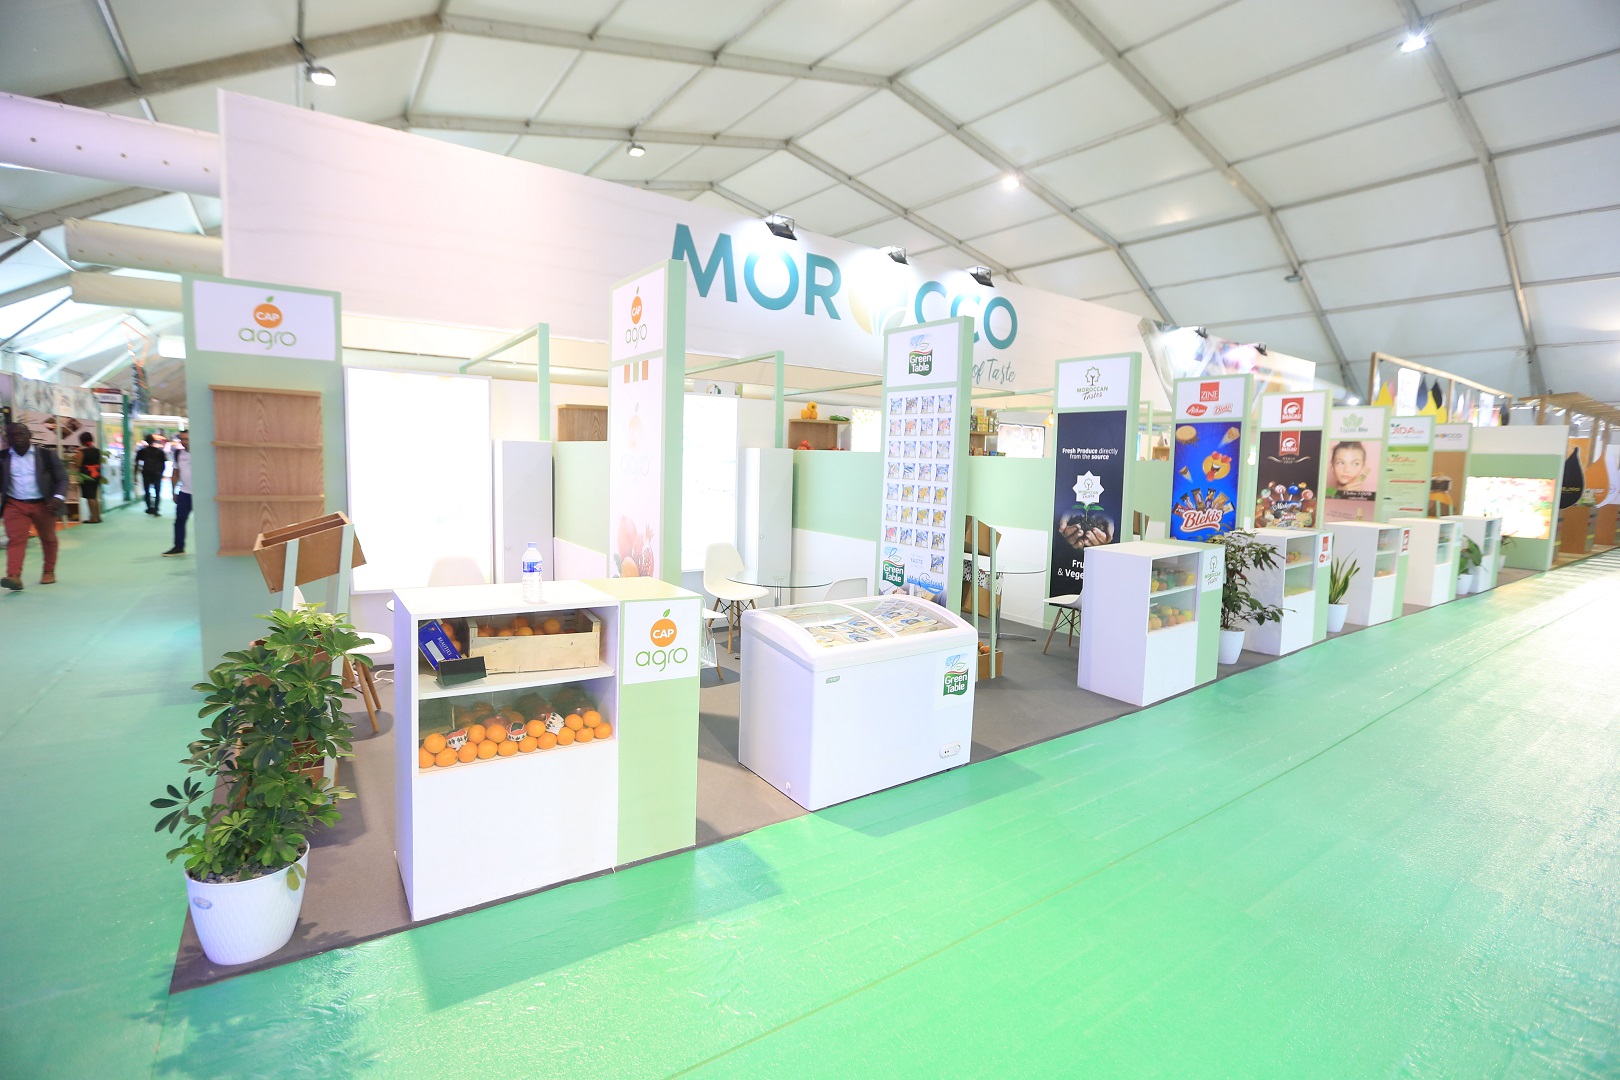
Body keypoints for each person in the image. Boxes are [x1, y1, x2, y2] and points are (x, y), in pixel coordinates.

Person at [2, 423, 69, 590]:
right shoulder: (3, 457)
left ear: (29, 435)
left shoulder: (46, 455)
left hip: (44, 504)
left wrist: (58, 497)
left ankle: (48, 571)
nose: (16, 438)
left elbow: (62, 478)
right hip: (15, 504)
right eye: (12, 435)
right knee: (16, 539)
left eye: (20, 434)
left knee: (48, 538)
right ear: (6, 438)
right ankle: (14, 576)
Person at [163, 431, 191, 557]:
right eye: (182, 439)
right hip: (185, 493)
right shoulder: (179, 454)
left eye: (187, 439)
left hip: (201, 495)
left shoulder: (203, 454)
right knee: (179, 520)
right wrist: (173, 491)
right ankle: (178, 547)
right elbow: (175, 473)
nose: (184, 441)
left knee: (206, 522)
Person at [134, 434, 166, 515]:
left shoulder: (142, 451)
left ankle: (149, 508)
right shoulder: (160, 452)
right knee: (157, 492)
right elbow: (163, 464)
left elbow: (137, 463)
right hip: (157, 473)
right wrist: (161, 473)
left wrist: (135, 475)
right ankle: (156, 509)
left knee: (147, 491)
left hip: (146, 473)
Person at [77, 431, 103, 524]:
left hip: (86, 475)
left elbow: (78, 464)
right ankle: (97, 516)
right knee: (94, 496)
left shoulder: (82, 452)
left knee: (89, 497)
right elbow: (99, 462)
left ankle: (93, 518)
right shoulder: (97, 451)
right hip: (96, 474)